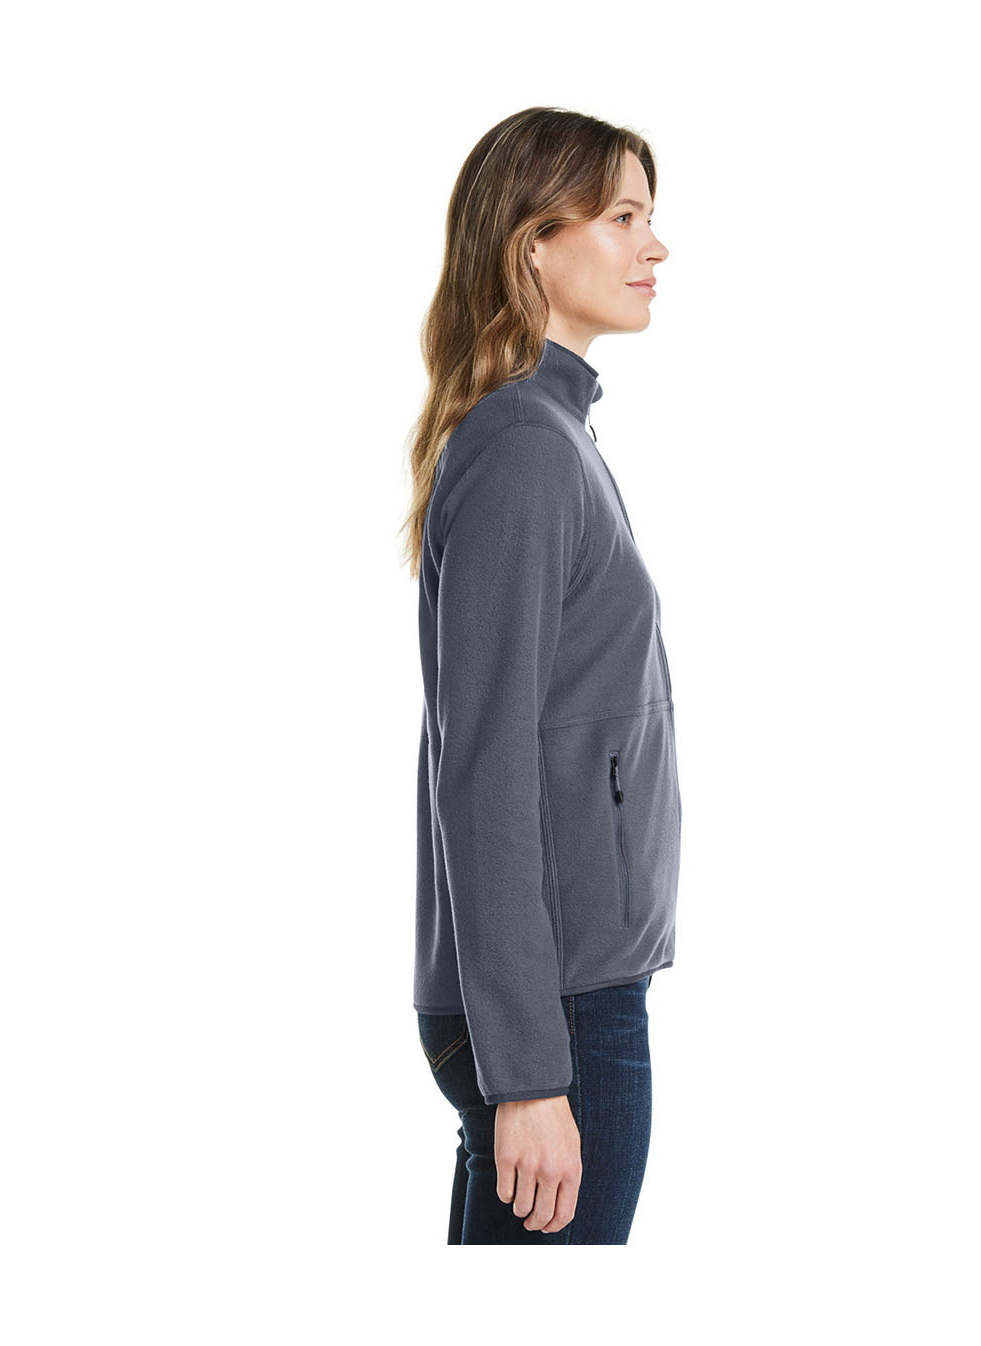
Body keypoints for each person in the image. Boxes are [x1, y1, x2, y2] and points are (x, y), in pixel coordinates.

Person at [398, 107, 680, 1244]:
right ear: (534, 242)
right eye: (623, 217)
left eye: (650, 218)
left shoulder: (548, 435)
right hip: (555, 1005)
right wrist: (526, 1073)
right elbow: (486, 767)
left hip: (557, 990)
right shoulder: (524, 447)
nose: (655, 246)